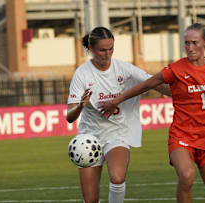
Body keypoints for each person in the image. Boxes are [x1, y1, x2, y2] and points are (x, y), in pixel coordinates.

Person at [100, 23, 205, 203]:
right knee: (186, 175)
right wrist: (116, 101)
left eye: (194, 43)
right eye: (186, 43)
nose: (190, 48)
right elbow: (147, 84)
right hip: (181, 135)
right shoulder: (176, 69)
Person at [66, 26, 170, 203]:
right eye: (102, 50)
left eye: (111, 48)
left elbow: (154, 82)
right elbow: (70, 117)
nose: (107, 54)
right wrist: (81, 106)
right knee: (90, 200)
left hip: (118, 133)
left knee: (117, 178)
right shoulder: (81, 74)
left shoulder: (124, 68)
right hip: (89, 137)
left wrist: (183, 93)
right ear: (91, 49)